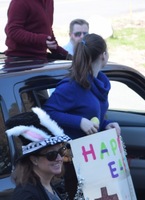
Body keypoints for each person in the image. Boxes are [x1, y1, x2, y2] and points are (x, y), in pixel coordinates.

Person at [42, 33, 121, 200]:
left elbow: (94, 114)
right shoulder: (72, 86)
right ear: (103, 55)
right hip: (73, 161)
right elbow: (48, 111)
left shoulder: (100, 82)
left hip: (94, 158)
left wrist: (106, 124)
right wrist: (79, 122)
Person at [5, 107, 71, 200]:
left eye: (61, 151)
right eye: (51, 155)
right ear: (34, 160)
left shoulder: (47, 185)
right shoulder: (26, 195)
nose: (59, 158)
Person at [4, 0, 72, 68]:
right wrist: (41, 40)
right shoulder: (20, 2)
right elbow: (13, 31)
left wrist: (67, 56)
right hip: (19, 63)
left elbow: (46, 28)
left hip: (41, 61)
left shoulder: (49, 1)